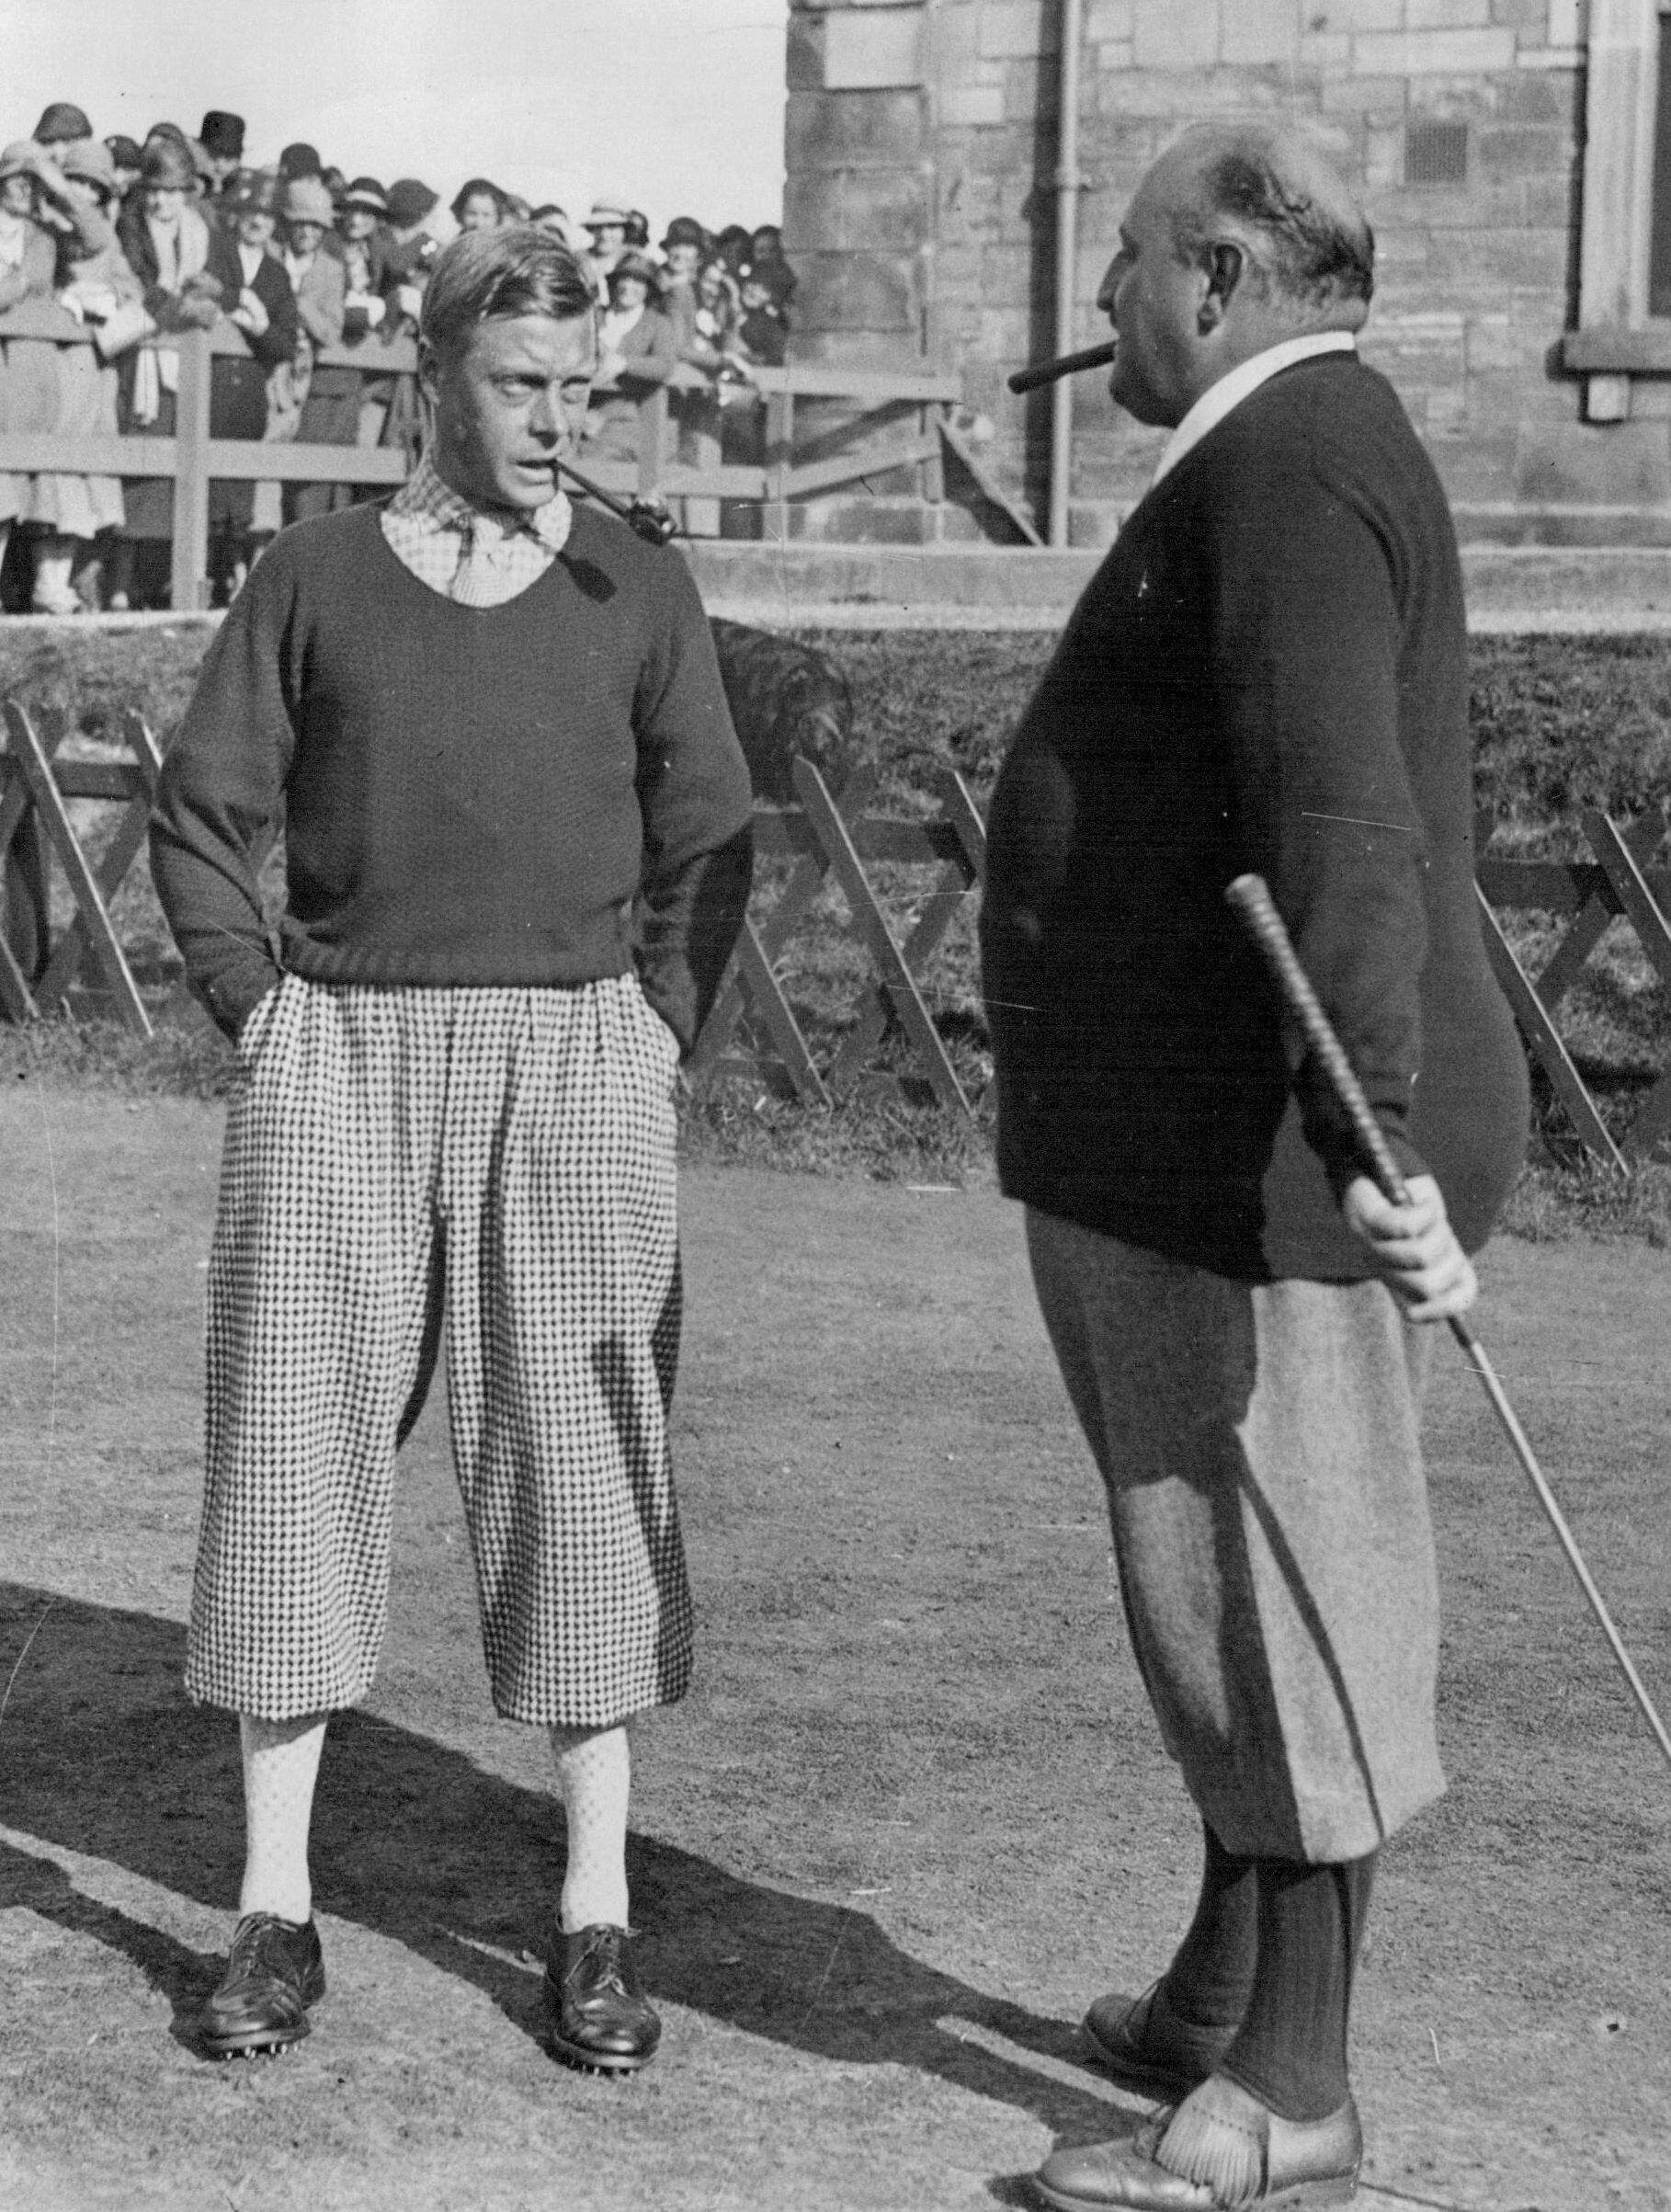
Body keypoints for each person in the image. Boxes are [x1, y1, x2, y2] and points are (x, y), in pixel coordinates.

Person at [978, 124, 1529, 2212]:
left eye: (1118, 261)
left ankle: (1294, 2084)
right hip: (1177, 1151)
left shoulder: (1291, 460)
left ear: (1213, 274)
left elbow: (1342, 828)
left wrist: (1363, 1136)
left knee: (1291, 1581)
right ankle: (1224, 1980)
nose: (1097, 301)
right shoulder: (1256, 447)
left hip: (1273, 1152)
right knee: (1207, 1571)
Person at [148, 222, 755, 2078]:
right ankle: (274, 1912)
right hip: (343, 1050)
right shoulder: (317, 574)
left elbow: (712, 829)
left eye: (584, 386)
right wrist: (269, 1017)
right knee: (292, 1441)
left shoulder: (633, 588)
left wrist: (652, 1026)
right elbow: (199, 811)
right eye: (521, 385)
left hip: (571, 1059)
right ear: (436, 382)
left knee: (584, 1459)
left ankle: (591, 1921)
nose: (559, 419)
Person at [0, 137, 118, 611]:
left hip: (29, 375)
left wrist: (57, 184)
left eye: (35, 181)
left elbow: (97, 239)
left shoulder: (43, 234)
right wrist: (20, 284)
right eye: (17, 177)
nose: (25, 189)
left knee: (23, 483)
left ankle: (39, 590)